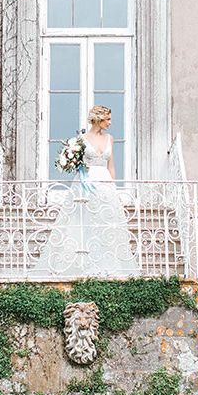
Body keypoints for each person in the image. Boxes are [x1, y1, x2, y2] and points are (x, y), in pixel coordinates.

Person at [28, 105, 139, 279]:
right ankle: (80, 265)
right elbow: (76, 165)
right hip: (86, 184)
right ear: (98, 119)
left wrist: (113, 189)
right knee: (82, 224)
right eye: (107, 119)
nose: (110, 123)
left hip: (105, 185)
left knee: (107, 226)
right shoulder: (81, 139)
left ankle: (108, 267)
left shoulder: (110, 138)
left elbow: (111, 166)